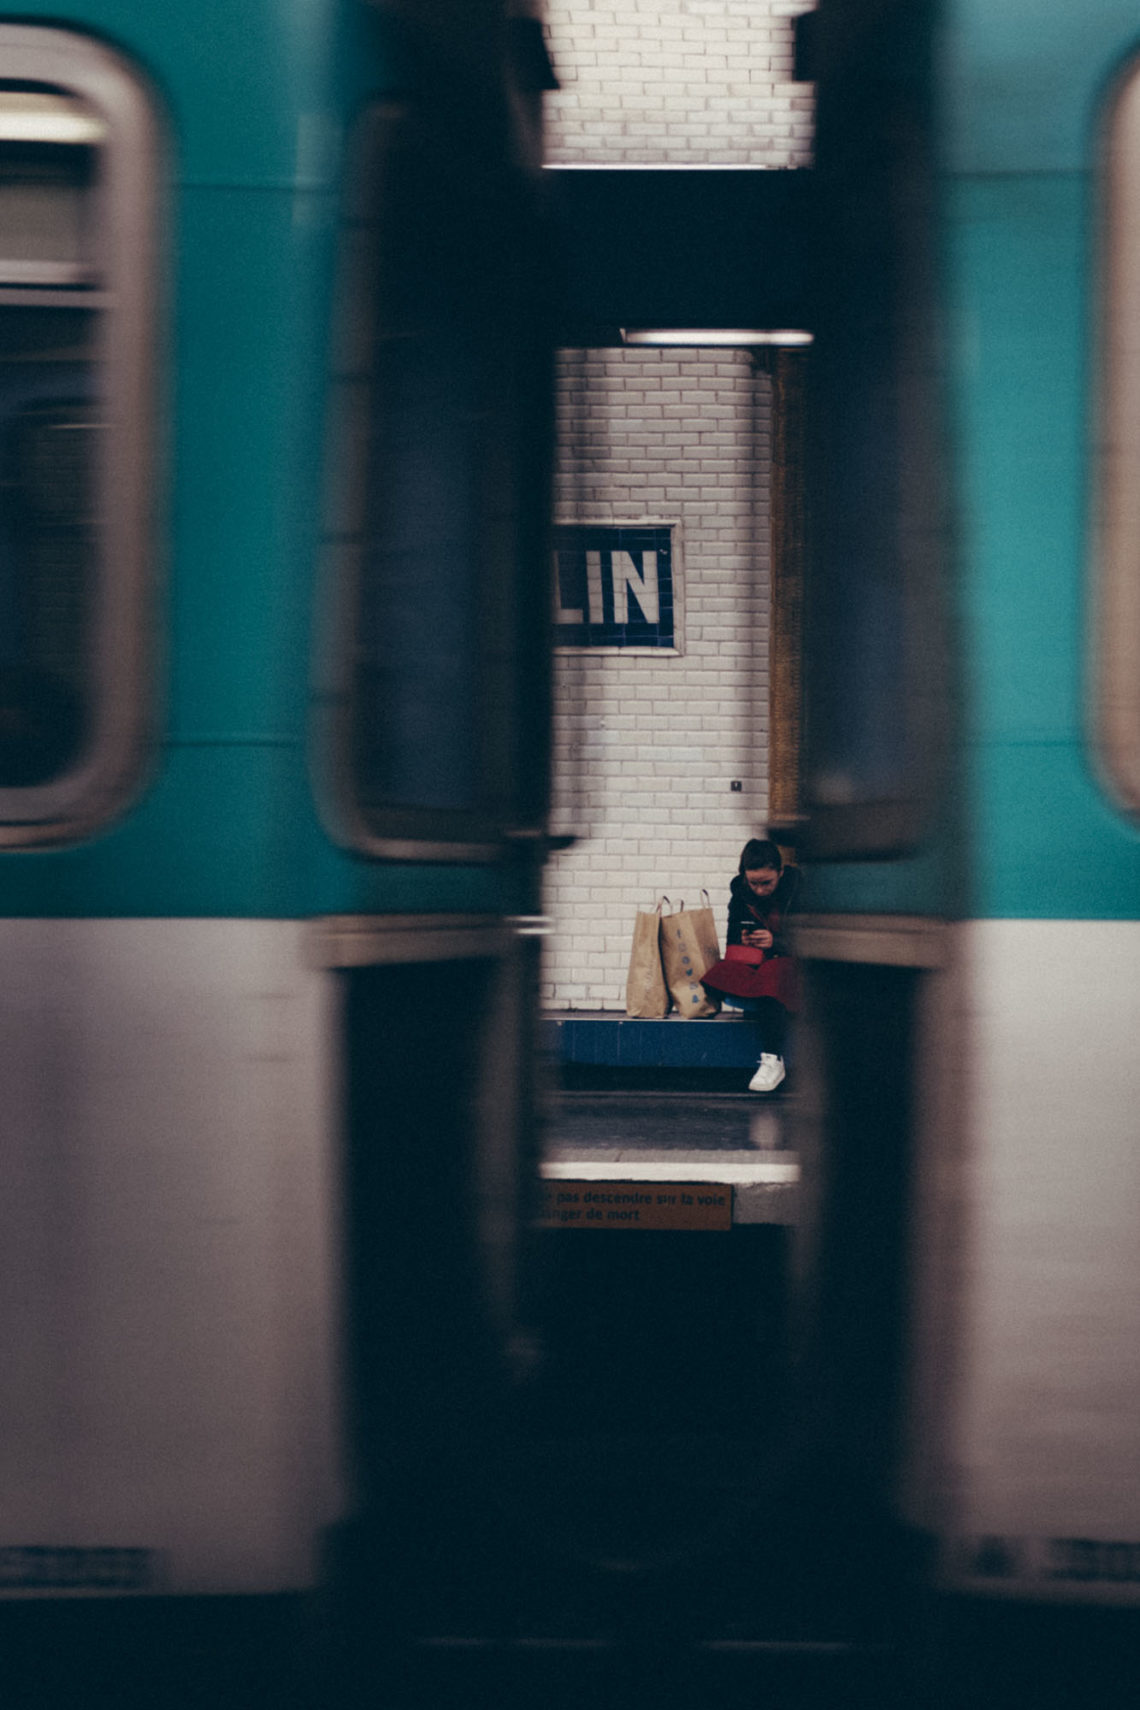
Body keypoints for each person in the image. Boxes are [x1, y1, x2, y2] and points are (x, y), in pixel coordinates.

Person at [700, 838, 800, 1093]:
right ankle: (769, 1009)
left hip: (791, 962)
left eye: (766, 883)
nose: (759, 890)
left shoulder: (798, 889)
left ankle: (773, 1059)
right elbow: (732, 938)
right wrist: (744, 940)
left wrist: (775, 942)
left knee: (772, 976)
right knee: (716, 974)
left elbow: (815, 937)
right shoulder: (740, 894)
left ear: (780, 872)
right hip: (756, 960)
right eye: (753, 883)